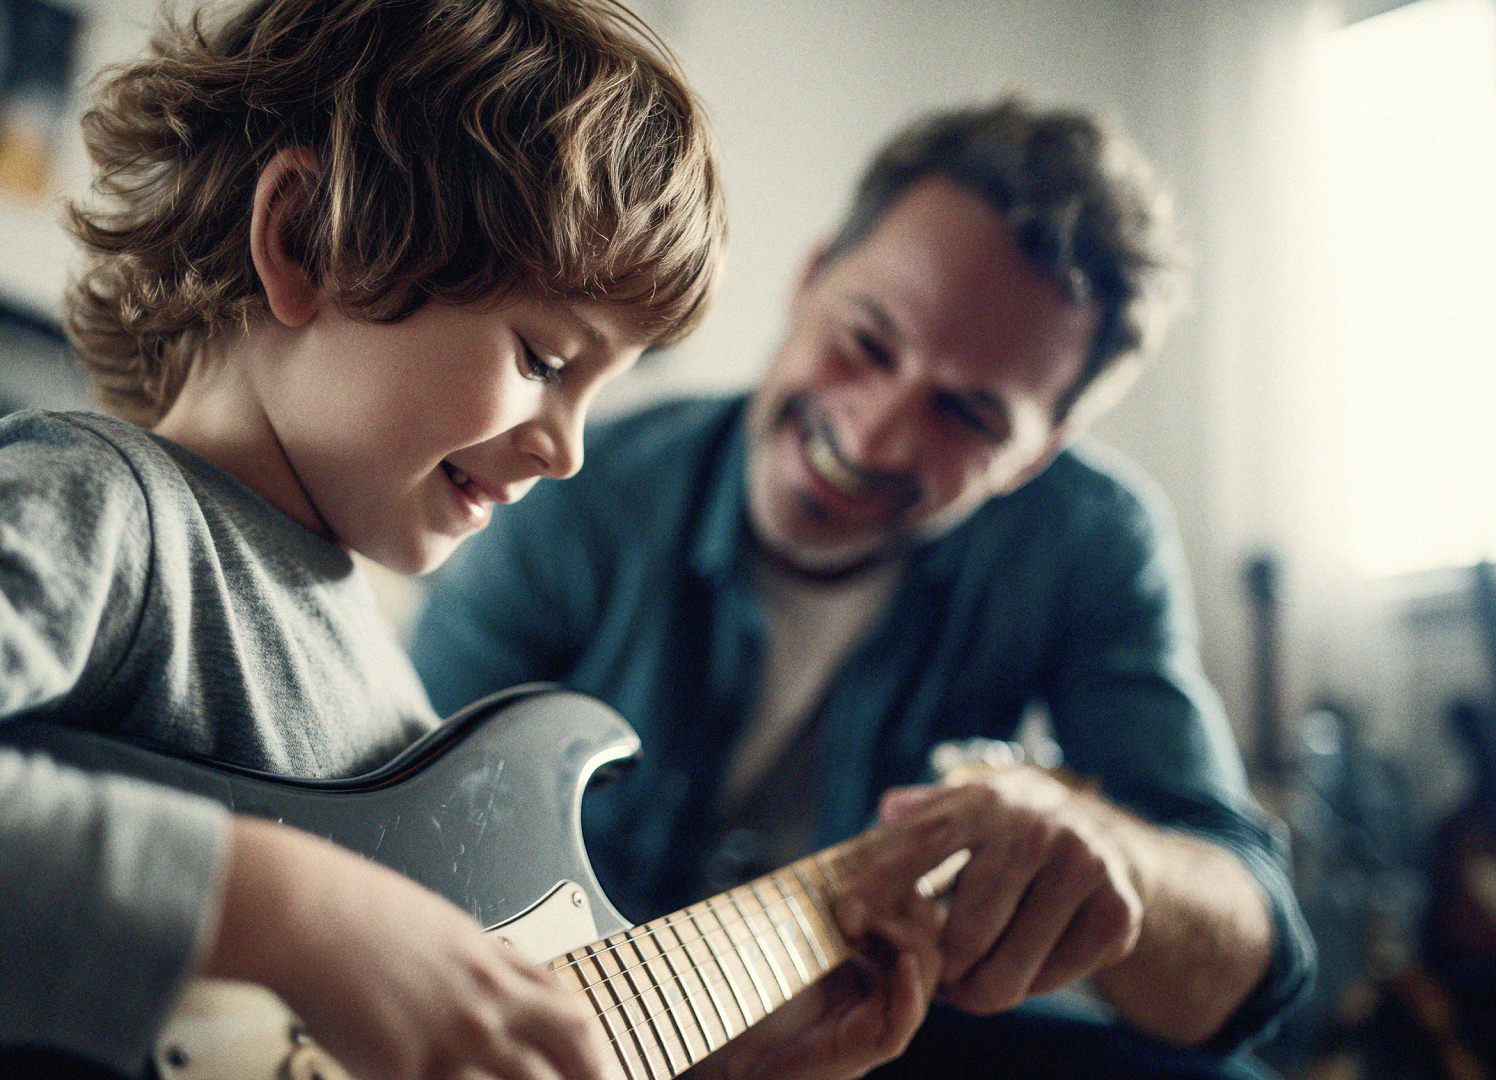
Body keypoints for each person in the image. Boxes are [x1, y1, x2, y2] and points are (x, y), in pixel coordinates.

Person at [0, 2, 934, 1078]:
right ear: (306, 239)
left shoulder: (410, 725)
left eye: (600, 390)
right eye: (541, 355)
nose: (567, 446)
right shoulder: (110, 511)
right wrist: (275, 904)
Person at [411, 97, 1317, 1079]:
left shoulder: (1093, 535)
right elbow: (405, 839)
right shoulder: (570, 490)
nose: (873, 435)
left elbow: (1250, 969)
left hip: (898, 1039)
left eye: (967, 414)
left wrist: (1115, 858)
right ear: (808, 280)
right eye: (869, 342)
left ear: (1035, 454)